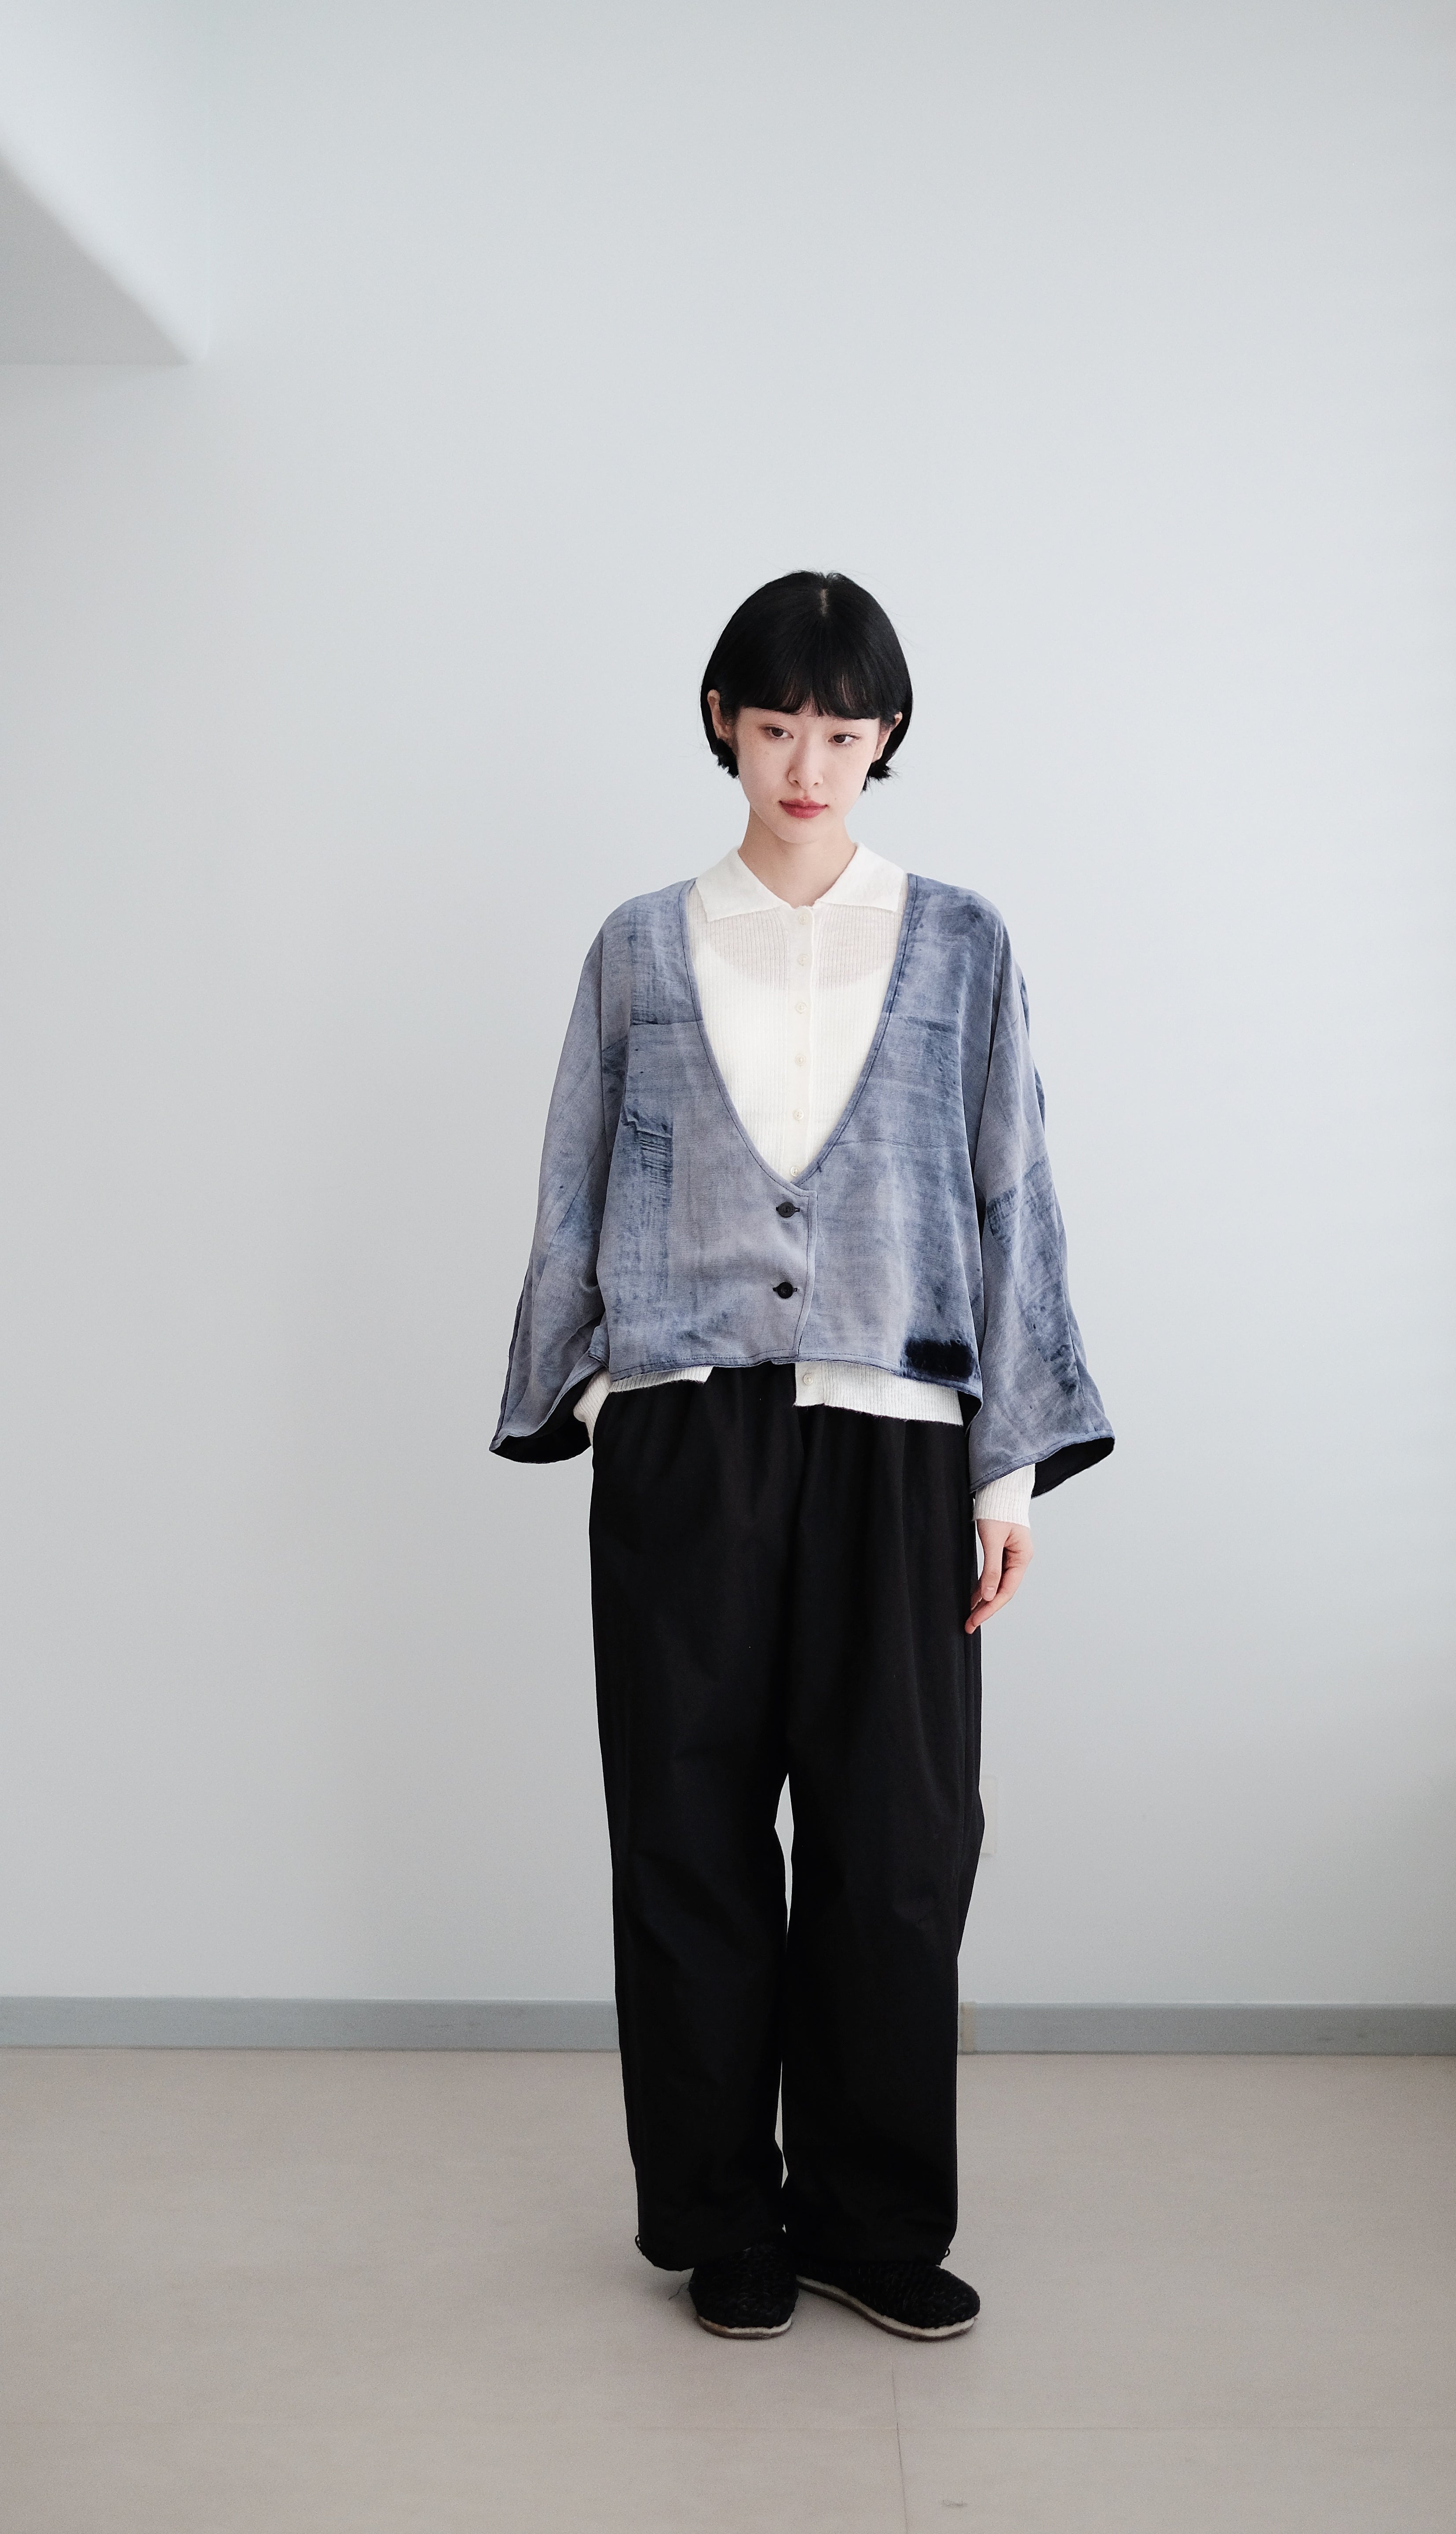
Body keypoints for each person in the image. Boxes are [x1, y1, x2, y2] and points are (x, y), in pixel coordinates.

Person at [492, 571, 1111, 2342]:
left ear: (885, 737)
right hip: (688, 1436)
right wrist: (601, 1396)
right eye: (777, 726)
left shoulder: (963, 943)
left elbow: (1011, 1196)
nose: (808, 765)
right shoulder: (639, 946)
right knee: (687, 1831)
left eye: (843, 732)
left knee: (898, 1843)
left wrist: (1005, 1470)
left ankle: (871, 2217)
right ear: (725, 724)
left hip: (899, 1438)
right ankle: (721, 2217)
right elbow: (572, 1180)